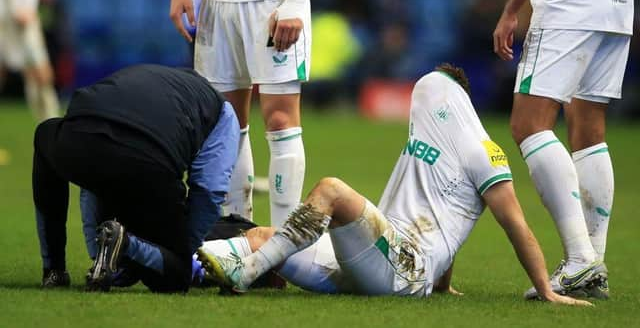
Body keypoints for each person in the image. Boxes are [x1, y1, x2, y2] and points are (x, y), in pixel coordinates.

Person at [196, 64, 593, 305]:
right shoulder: (425, 146)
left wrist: (545, 289)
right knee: (264, 235)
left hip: (405, 269)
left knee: (332, 189)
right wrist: (444, 284)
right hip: (376, 262)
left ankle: (246, 274)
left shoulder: (485, 154)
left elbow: (517, 226)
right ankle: (173, 261)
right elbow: (444, 215)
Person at [493, 0, 640, 298]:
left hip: (570, 0)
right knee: (588, 131)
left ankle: (580, 259)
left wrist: (512, 8)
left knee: (528, 124)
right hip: (617, 3)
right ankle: (594, 263)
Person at [170, 0, 330, 226]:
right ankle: (239, 237)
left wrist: (297, 0)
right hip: (217, 0)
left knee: (281, 119)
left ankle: (284, 245)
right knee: (226, 125)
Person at [32, 64, 239, 292]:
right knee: (175, 276)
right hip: (148, 161)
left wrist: (95, 249)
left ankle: (54, 269)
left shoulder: (146, 75)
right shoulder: (223, 112)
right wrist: (179, 251)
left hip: (80, 139)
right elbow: (209, 191)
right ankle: (124, 246)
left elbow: (90, 183)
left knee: (45, 135)